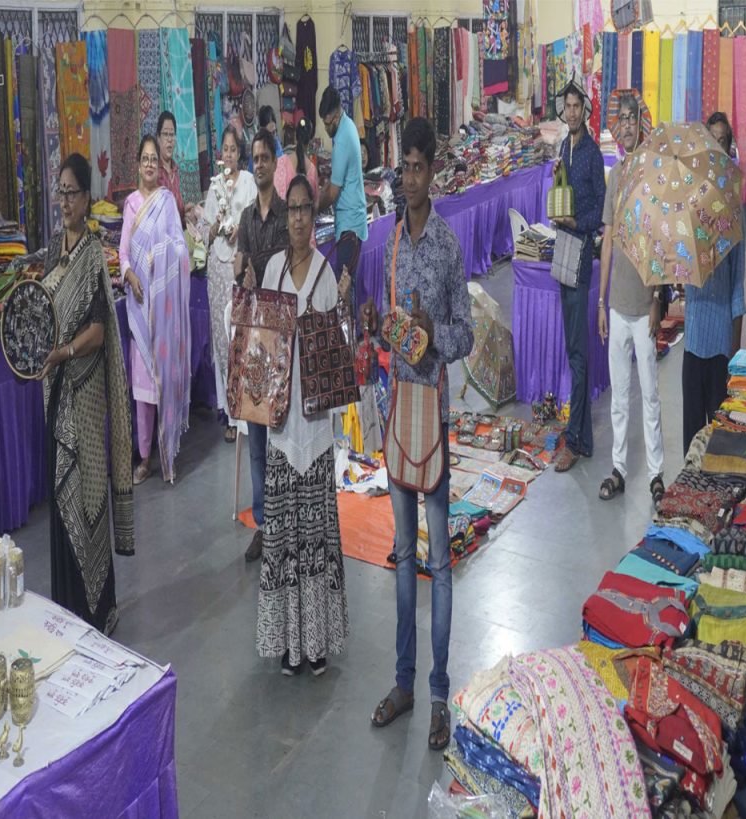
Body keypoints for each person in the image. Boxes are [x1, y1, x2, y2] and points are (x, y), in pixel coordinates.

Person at [363, 117, 474, 752]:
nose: (408, 178)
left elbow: (464, 334)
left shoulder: (448, 247)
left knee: (438, 559)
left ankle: (438, 693)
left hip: (431, 412)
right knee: (402, 557)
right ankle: (402, 684)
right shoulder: (393, 243)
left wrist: (435, 335)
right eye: (401, 167)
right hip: (396, 406)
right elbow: (392, 330)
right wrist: (387, 329)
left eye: (417, 167)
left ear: (434, 172)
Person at [249, 174, 350, 676]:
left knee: (314, 539)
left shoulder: (326, 276)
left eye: (304, 210)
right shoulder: (271, 269)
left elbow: (335, 357)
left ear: (315, 217)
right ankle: (290, 642)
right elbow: (261, 345)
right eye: (291, 210)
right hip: (279, 431)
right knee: (285, 540)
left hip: (312, 432)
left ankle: (317, 643)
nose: (296, 218)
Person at [38, 153, 134, 635]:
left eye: (72, 192)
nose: (65, 201)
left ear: (87, 197)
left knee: (88, 489)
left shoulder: (93, 253)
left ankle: (98, 607)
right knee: (62, 494)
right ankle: (69, 607)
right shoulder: (53, 250)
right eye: (60, 191)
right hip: (58, 394)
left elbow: (98, 331)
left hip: (86, 389)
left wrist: (64, 353)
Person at [596, 90, 665, 504]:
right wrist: (602, 303)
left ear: (641, 122)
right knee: (619, 395)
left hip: (643, 305)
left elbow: (659, 241)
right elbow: (607, 240)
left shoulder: (653, 175)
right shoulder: (617, 175)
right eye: (619, 120)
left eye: (631, 119)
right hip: (618, 305)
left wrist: (658, 296)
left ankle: (656, 473)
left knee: (651, 393)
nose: (625, 126)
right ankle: (619, 468)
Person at [120, 135, 192, 485]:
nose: (150, 164)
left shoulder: (166, 203)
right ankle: (145, 456)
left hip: (164, 312)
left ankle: (168, 450)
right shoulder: (131, 205)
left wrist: (161, 255)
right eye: (145, 158)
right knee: (143, 389)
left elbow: (181, 249)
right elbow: (122, 255)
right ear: (138, 163)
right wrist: (130, 273)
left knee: (165, 382)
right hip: (139, 306)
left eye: (153, 159)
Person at [234, 129, 289, 562]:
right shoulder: (248, 220)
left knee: (282, 436)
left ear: (275, 162)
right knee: (256, 439)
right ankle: (264, 525)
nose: (260, 164)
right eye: (255, 158)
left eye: (265, 157)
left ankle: (285, 521)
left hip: (281, 337)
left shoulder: (289, 217)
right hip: (254, 337)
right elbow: (240, 267)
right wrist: (241, 272)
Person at [682, 112, 746, 455]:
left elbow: (738, 283)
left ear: (729, 147)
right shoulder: (689, 204)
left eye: (722, 141)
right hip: (692, 339)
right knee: (692, 439)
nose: (716, 147)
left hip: (722, 341)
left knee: (720, 441)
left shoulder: (734, 210)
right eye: (711, 140)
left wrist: (735, 350)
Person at [552, 79, 606, 473]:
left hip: (581, 251)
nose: (571, 111)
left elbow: (600, 213)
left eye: (576, 106)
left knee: (578, 351)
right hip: (561, 248)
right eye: (567, 106)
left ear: (584, 111)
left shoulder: (590, 154)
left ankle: (574, 439)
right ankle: (583, 439)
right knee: (574, 348)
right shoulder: (564, 147)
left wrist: (575, 222)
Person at [201, 126, 257, 443]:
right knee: (222, 340)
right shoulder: (215, 186)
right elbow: (207, 231)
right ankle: (230, 413)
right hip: (218, 269)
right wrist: (218, 224)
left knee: (241, 333)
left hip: (240, 267)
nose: (229, 154)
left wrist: (239, 229)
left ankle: (247, 406)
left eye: (233, 149)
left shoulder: (248, 182)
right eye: (224, 149)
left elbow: (252, 220)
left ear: (240, 153)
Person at [318, 86, 368, 289]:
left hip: (350, 226)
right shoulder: (346, 127)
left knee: (345, 288)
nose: (326, 128)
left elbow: (332, 192)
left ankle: (350, 322)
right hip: (350, 222)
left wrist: (313, 207)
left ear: (336, 116)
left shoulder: (343, 139)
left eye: (328, 123)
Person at [274, 117, 319, 207]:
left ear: (295, 136)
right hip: (305, 221)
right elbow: (315, 205)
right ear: (310, 140)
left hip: (283, 220)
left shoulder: (281, 163)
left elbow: (274, 199)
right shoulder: (312, 171)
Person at [156, 111, 185, 221]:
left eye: (172, 135)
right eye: (165, 134)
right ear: (158, 138)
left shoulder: (176, 170)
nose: (169, 139)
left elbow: (177, 208)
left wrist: (186, 210)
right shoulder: (154, 171)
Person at [248, 105, 284, 171]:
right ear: (261, 131)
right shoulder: (256, 149)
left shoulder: (277, 144)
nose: (272, 137)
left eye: (274, 132)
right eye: (269, 134)